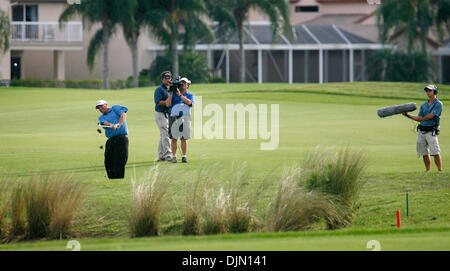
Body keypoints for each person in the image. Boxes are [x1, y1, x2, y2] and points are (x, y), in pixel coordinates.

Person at [403, 84, 443, 171]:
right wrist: (407, 115)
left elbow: (431, 116)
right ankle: (428, 170)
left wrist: (421, 119)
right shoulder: (424, 105)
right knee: (424, 152)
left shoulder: (438, 104)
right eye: (427, 91)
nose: (428, 92)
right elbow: (419, 118)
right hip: (421, 131)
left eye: (430, 90)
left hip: (432, 131)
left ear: (435, 92)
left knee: (435, 152)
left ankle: (440, 170)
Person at [96, 100, 129, 179]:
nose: (100, 108)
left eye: (101, 106)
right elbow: (104, 123)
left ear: (106, 104)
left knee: (119, 160)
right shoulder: (101, 118)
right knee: (108, 161)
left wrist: (118, 124)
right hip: (111, 140)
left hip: (121, 138)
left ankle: (119, 179)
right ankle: (112, 179)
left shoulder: (115, 108)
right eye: (98, 107)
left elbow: (123, 115)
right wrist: (112, 125)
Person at [166, 77, 194, 163]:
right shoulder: (173, 94)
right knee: (174, 138)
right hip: (173, 116)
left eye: (185, 83)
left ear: (188, 85)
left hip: (185, 117)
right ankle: (174, 156)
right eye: (182, 83)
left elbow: (189, 103)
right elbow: (167, 104)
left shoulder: (189, 95)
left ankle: (184, 156)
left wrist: (180, 95)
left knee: (184, 138)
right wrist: (171, 93)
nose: (183, 85)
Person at [154, 71, 173, 162]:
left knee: (163, 135)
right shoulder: (159, 89)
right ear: (162, 79)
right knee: (165, 134)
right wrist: (167, 102)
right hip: (160, 113)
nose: (168, 79)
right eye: (166, 78)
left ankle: (161, 156)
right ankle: (168, 155)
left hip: (167, 114)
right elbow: (158, 102)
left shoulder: (171, 89)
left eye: (169, 78)